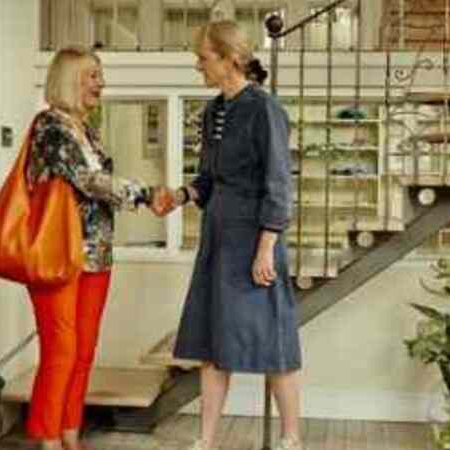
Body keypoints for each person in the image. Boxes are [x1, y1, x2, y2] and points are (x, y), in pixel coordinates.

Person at [158, 21, 305, 450]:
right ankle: (205, 441)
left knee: (273, 340)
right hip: (218, 238)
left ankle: (291, 438)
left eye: (203, 58)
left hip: (255, 240)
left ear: (230, 59)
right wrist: (181, 195)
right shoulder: (212, 112)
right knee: (212, 342)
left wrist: (266, 248)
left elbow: (279, 183)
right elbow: (207, 179)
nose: (198, 66)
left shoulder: (264, 109)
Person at [25, 46, 167, 450]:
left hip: (96, 254)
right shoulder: (50, 127)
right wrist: (146, 193)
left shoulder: (86, 130)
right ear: (68, 78)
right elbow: (88, 180)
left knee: (84, 350)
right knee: (61, 350)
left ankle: (70, 432)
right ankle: (48, 438)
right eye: (92, 75)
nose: (100, 83)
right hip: (58, 255)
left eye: (100, 76)